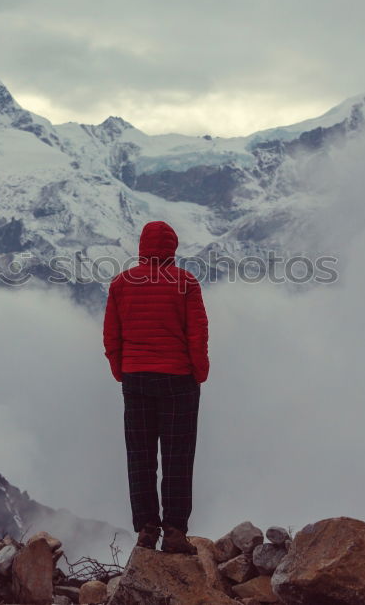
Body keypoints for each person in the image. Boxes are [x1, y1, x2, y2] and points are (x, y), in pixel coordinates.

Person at [103, 220, 209, 554]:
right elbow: (197, 334)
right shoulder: (185, 283)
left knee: (141, 456)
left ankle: (147, 529)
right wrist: (199, 372)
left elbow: (111, 337)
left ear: (142, 247)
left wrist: (121, 371)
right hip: (178, 379)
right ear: (172, 249)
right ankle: (175, 532)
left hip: (135, 378)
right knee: (178, 456)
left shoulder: (121, 284)